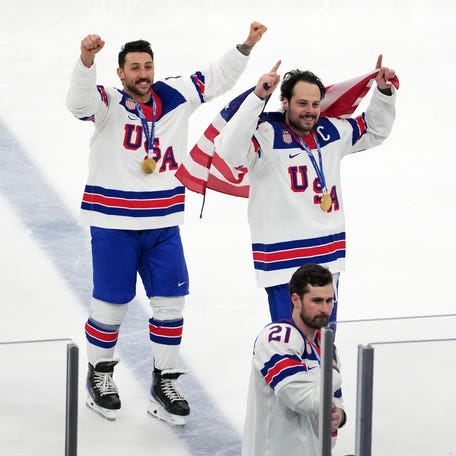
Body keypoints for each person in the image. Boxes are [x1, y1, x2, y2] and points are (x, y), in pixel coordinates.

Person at [66, 22, 267, 424]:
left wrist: (245, 46)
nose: (142, 74)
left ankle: (165, 379)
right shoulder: (106, 101)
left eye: (147, 66)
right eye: (134, 68)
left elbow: (218, 76)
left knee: (171, 304)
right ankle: (99, 375)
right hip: (113, 223)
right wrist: (87, 61)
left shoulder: (175, 95)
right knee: (110, 304)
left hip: (162, 223)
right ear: (120, 73)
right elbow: (77, 103)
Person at [214, 57, 397, 323]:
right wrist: (257, 97)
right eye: (302, 103)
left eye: (315, 104)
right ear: (285, 102)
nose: (310, 111)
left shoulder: (331, 131)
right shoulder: (265, 134)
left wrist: (382, 93)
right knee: (289, 341)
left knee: (324, 340)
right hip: (282, 259)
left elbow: (375, 130)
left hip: (326, 256)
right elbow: (230, 152)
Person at [242, 263, 346, 456]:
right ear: (296, 300)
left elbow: (335, 401)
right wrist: (333, 373)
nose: (325, 309)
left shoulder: (327, 346)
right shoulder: (276, 339)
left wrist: (338, 417)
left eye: (329, 300)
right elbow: (304, 401)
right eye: (316, 301)